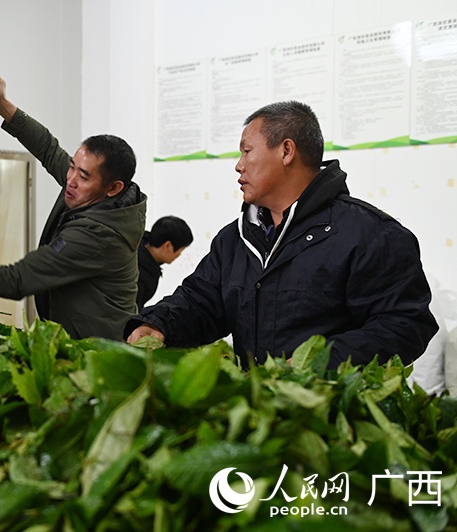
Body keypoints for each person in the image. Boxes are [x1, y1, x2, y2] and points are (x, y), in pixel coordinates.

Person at [125, 101, 438, 369]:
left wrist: (313, 362)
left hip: (330, 421)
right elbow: (202, 301)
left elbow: (405, 325)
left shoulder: (369, 235)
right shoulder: (236, 238)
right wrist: (158, 324)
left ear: (286, 150)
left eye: (247, 151)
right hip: (259, 414)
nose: (238, 166)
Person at [0, 73, 147, 340]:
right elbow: (48, 149)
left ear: (114, 188)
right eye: (73, 168)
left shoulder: (99, 235)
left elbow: (17, 280)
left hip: (95, 347)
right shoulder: (96, 193)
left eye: (83, 176)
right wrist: (3, 105)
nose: (71, 180)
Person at [137, 216, 193, 311]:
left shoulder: (138, 248)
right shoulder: (139, 272)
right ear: (167, 246)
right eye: (181, 250)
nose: (179, 255)